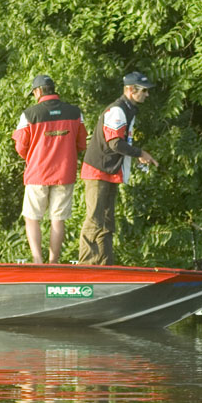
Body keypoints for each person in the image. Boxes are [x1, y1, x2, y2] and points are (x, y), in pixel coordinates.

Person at [78, 71, 159, 265]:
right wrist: (141, 153)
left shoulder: (128, 109)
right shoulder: (117, 110)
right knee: (94, 220)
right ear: (131, 90)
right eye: (144, 91)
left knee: (107, 223)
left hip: (109, 171)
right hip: (98, 170)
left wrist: (136, 156)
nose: (147, 95)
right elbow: (114, 143)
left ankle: (105, 265)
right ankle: (85, 266)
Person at [12, 75, 88, 264]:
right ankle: (53, 262)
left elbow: (20, 146)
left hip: (37, 174)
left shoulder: (29, 114)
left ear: (37, 92)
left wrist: (32, 157)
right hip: (65, 173)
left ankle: (37, 260)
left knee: (32, 218)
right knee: (58, 219)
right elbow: (81, 143)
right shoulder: (75, 112)